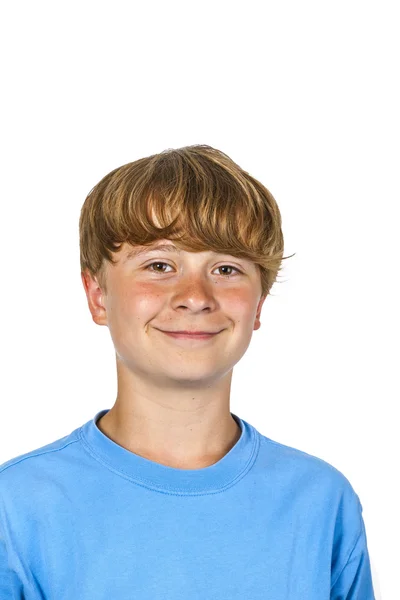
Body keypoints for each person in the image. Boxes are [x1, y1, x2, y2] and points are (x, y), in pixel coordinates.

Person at [0, 145, 375, 598]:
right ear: (98, 295)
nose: (195, 295)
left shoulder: (321, 502)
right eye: (160, 265)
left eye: (226, 268)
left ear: (258, 304)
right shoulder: (18, 507)